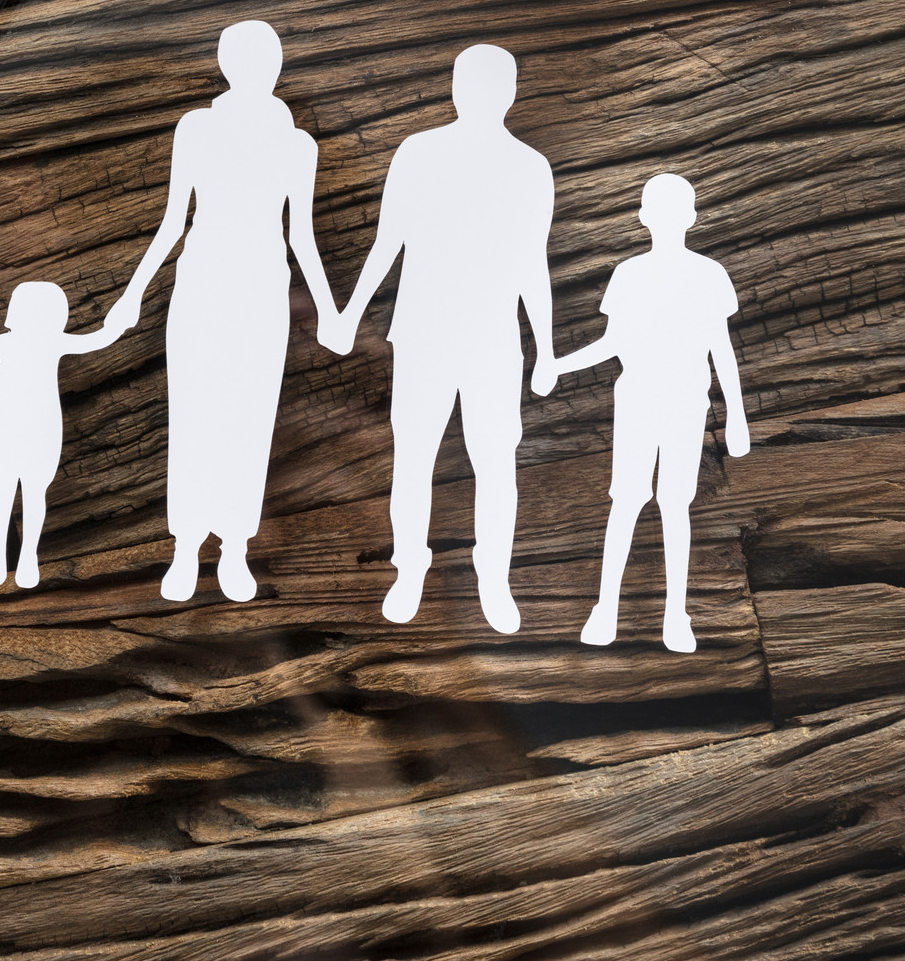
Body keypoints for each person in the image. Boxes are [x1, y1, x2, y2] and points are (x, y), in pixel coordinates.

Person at [320, 44, 554, 633]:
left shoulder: (530, 167)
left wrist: (546, 347)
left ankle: (492, 579)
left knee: (495, 462)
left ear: (506, 93)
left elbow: (533, 264)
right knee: (416, 458)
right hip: (425, 331)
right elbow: (388, 241)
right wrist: (349, 315)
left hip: (494, 338)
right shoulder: (419, 152)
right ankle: (409, 570)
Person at [107, 20, 340, 604]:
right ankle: (186, 546)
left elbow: (302, 237)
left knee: (250, 416)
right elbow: (172, 222)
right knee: (195, 411)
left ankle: (235, 547)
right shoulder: (197, 128)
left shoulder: (296, 144)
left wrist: (331, 312)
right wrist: (131, 293)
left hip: (263, 289)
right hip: (203, 282)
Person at [547, 172, 747, 653]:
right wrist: (559, 365)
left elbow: (722, 349)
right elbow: (613, 343)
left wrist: (736, 413)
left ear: (692, 219)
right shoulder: (630, 273)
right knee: (628, 500)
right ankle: (606, 607)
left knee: (674, 504)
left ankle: (675, 614)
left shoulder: (708, 274)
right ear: (643, 219)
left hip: (685, 402)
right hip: (637, 400)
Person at [0, 281, 125, 589]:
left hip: (38, 427)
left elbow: (98, 340)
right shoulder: (6, 343)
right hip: (3, 421)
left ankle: (29, 555)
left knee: (32, 492)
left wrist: (117, 323)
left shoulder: (54, 343)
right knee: (3, 491)